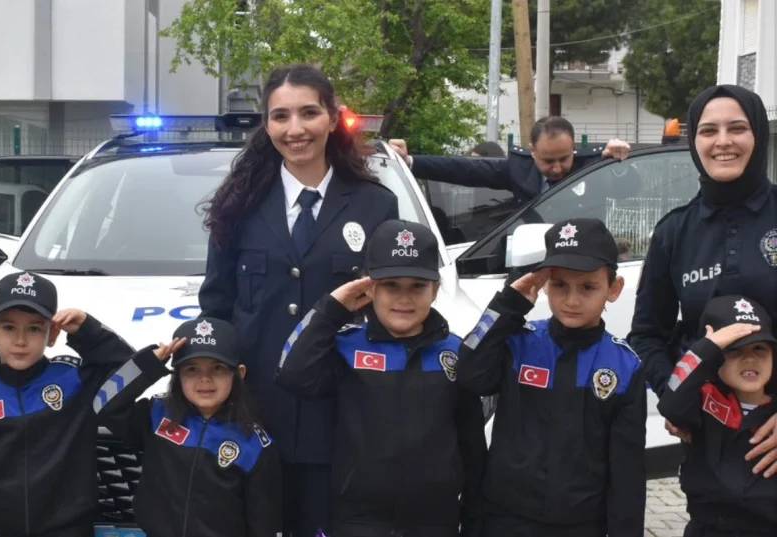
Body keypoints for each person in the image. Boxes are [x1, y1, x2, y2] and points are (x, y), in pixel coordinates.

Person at [198, 64, 399, 537]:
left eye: (308, 113)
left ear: (333, 118)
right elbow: (217, 307)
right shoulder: (238, 204)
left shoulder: (375, 206)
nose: (295, 129)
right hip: (253, 419)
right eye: (280, 116)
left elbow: (391, 313)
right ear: (265, 125)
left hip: (340, 418)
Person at [275, 219, 486, 537]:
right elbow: (292, 374)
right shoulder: (345, 345)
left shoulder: (455, 352)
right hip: (358, 520)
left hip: (436, 520)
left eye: (417, 285)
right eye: (391, 285)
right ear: (368, 286)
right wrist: (333, 309)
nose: (404, 298)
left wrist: (474, 518)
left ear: (436, 289)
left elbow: (472, 444)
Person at [456, 218, 646, 537]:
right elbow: (469, 372)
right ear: (544, 284)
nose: (572, 300)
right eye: (560, 285)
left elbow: (628, 472)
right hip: (505, 519)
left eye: (588, 287)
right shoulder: (519, 342)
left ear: (613, 289)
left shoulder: (624, 366)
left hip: (581, 524)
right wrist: (508, 304)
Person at [628, 84, 777, 478]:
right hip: (709, 447)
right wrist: (675, 396)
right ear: (694, 140)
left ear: (758, 135)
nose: (723, 142)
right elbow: (646, 335)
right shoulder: (675, 232)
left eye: (737, 128)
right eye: (709, 131)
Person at [0, 271, 134, 537]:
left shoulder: (73, 379)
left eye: (34, 328)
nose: (20, 340)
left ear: (52, 335)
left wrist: (88, 331)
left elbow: (131, 370)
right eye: (8, 328)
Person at [90, 317, 283, 537]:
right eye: (191, 369)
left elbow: (264, 522)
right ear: (177, 375)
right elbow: (104, 405)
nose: (205, 379)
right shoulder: (158, 414)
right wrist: (150, 364)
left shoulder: (254, 444)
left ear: (238, 374)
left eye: (218, 368)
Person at [657, 295, 776, 536]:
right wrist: (705, 348)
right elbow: (671, 405)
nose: (749, 358)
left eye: (760, 348)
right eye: (734, 350)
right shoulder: (703, 403)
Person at [390, 116, 634, 205]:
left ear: (573, 149)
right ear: (533, 152)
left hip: (583, 260)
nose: (557, 168)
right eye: (548, 161)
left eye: (564, 158)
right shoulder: (519, 170)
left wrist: (619, 163)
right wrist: (410, 160)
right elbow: (465, 169)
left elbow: (630, 188)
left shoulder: (593, 166)